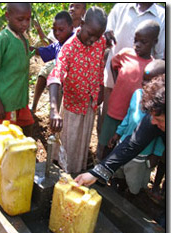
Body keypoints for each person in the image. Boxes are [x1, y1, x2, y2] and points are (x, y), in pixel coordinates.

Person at [75, 74, 165, 188]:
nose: (152, 122)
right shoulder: (155, 117)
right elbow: (131, 145)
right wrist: (96, 173)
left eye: (158, 119)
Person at [97, 3, 165, 151]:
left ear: (154, 42)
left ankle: (118, 170)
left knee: (125, 141)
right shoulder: (126, 53)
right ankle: (99, 161)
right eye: (136, 40)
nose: (137, 45)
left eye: (143, 42)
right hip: (115, 106)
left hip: (134, 112)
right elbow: (113, 64)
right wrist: (118, 82)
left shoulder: (152, 66)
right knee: (106, 137)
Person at [47, 6, 107, 174]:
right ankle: (64, 173)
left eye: (98, 35)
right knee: (69, 142)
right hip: (72, 105)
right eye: (90, 34)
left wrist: (100, 88)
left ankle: (78, 170)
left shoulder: (100, 41)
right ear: (81, 23)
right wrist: (53, 110)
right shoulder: (69, 47)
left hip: (90, 103)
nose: (93, 40)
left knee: (82, 141)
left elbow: (100, 65)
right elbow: (55, 75)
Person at [107, 59, 165, 195]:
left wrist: (156, 154)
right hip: (125, 144)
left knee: (134, 178)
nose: (145, 84)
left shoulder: (161, 110)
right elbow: (128, 116)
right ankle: (119, 186)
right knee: (120, 170)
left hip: (141, 155)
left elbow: (161, 138)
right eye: (144, 79)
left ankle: (132, 194)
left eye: (150, 81)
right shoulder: (137, 95)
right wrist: (118, 133)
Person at [0, 3, 34, 136]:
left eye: (28, 19)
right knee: (6, 140)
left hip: (20, 100)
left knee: (25, 130)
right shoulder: (2, 39)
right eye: (20, 19)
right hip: (6, 103)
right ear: (8, 16)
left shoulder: (23, 39)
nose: (25, 23)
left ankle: (24, 156)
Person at [32, 3, 87, 113]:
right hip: (59, 74)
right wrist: (24, 46)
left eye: (77, 7)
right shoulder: (59, 41)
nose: (57, 33)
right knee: (49, 80)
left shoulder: (81, 33)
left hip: (74, 83)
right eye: (55, 30)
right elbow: (48, 49)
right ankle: (39, 109)